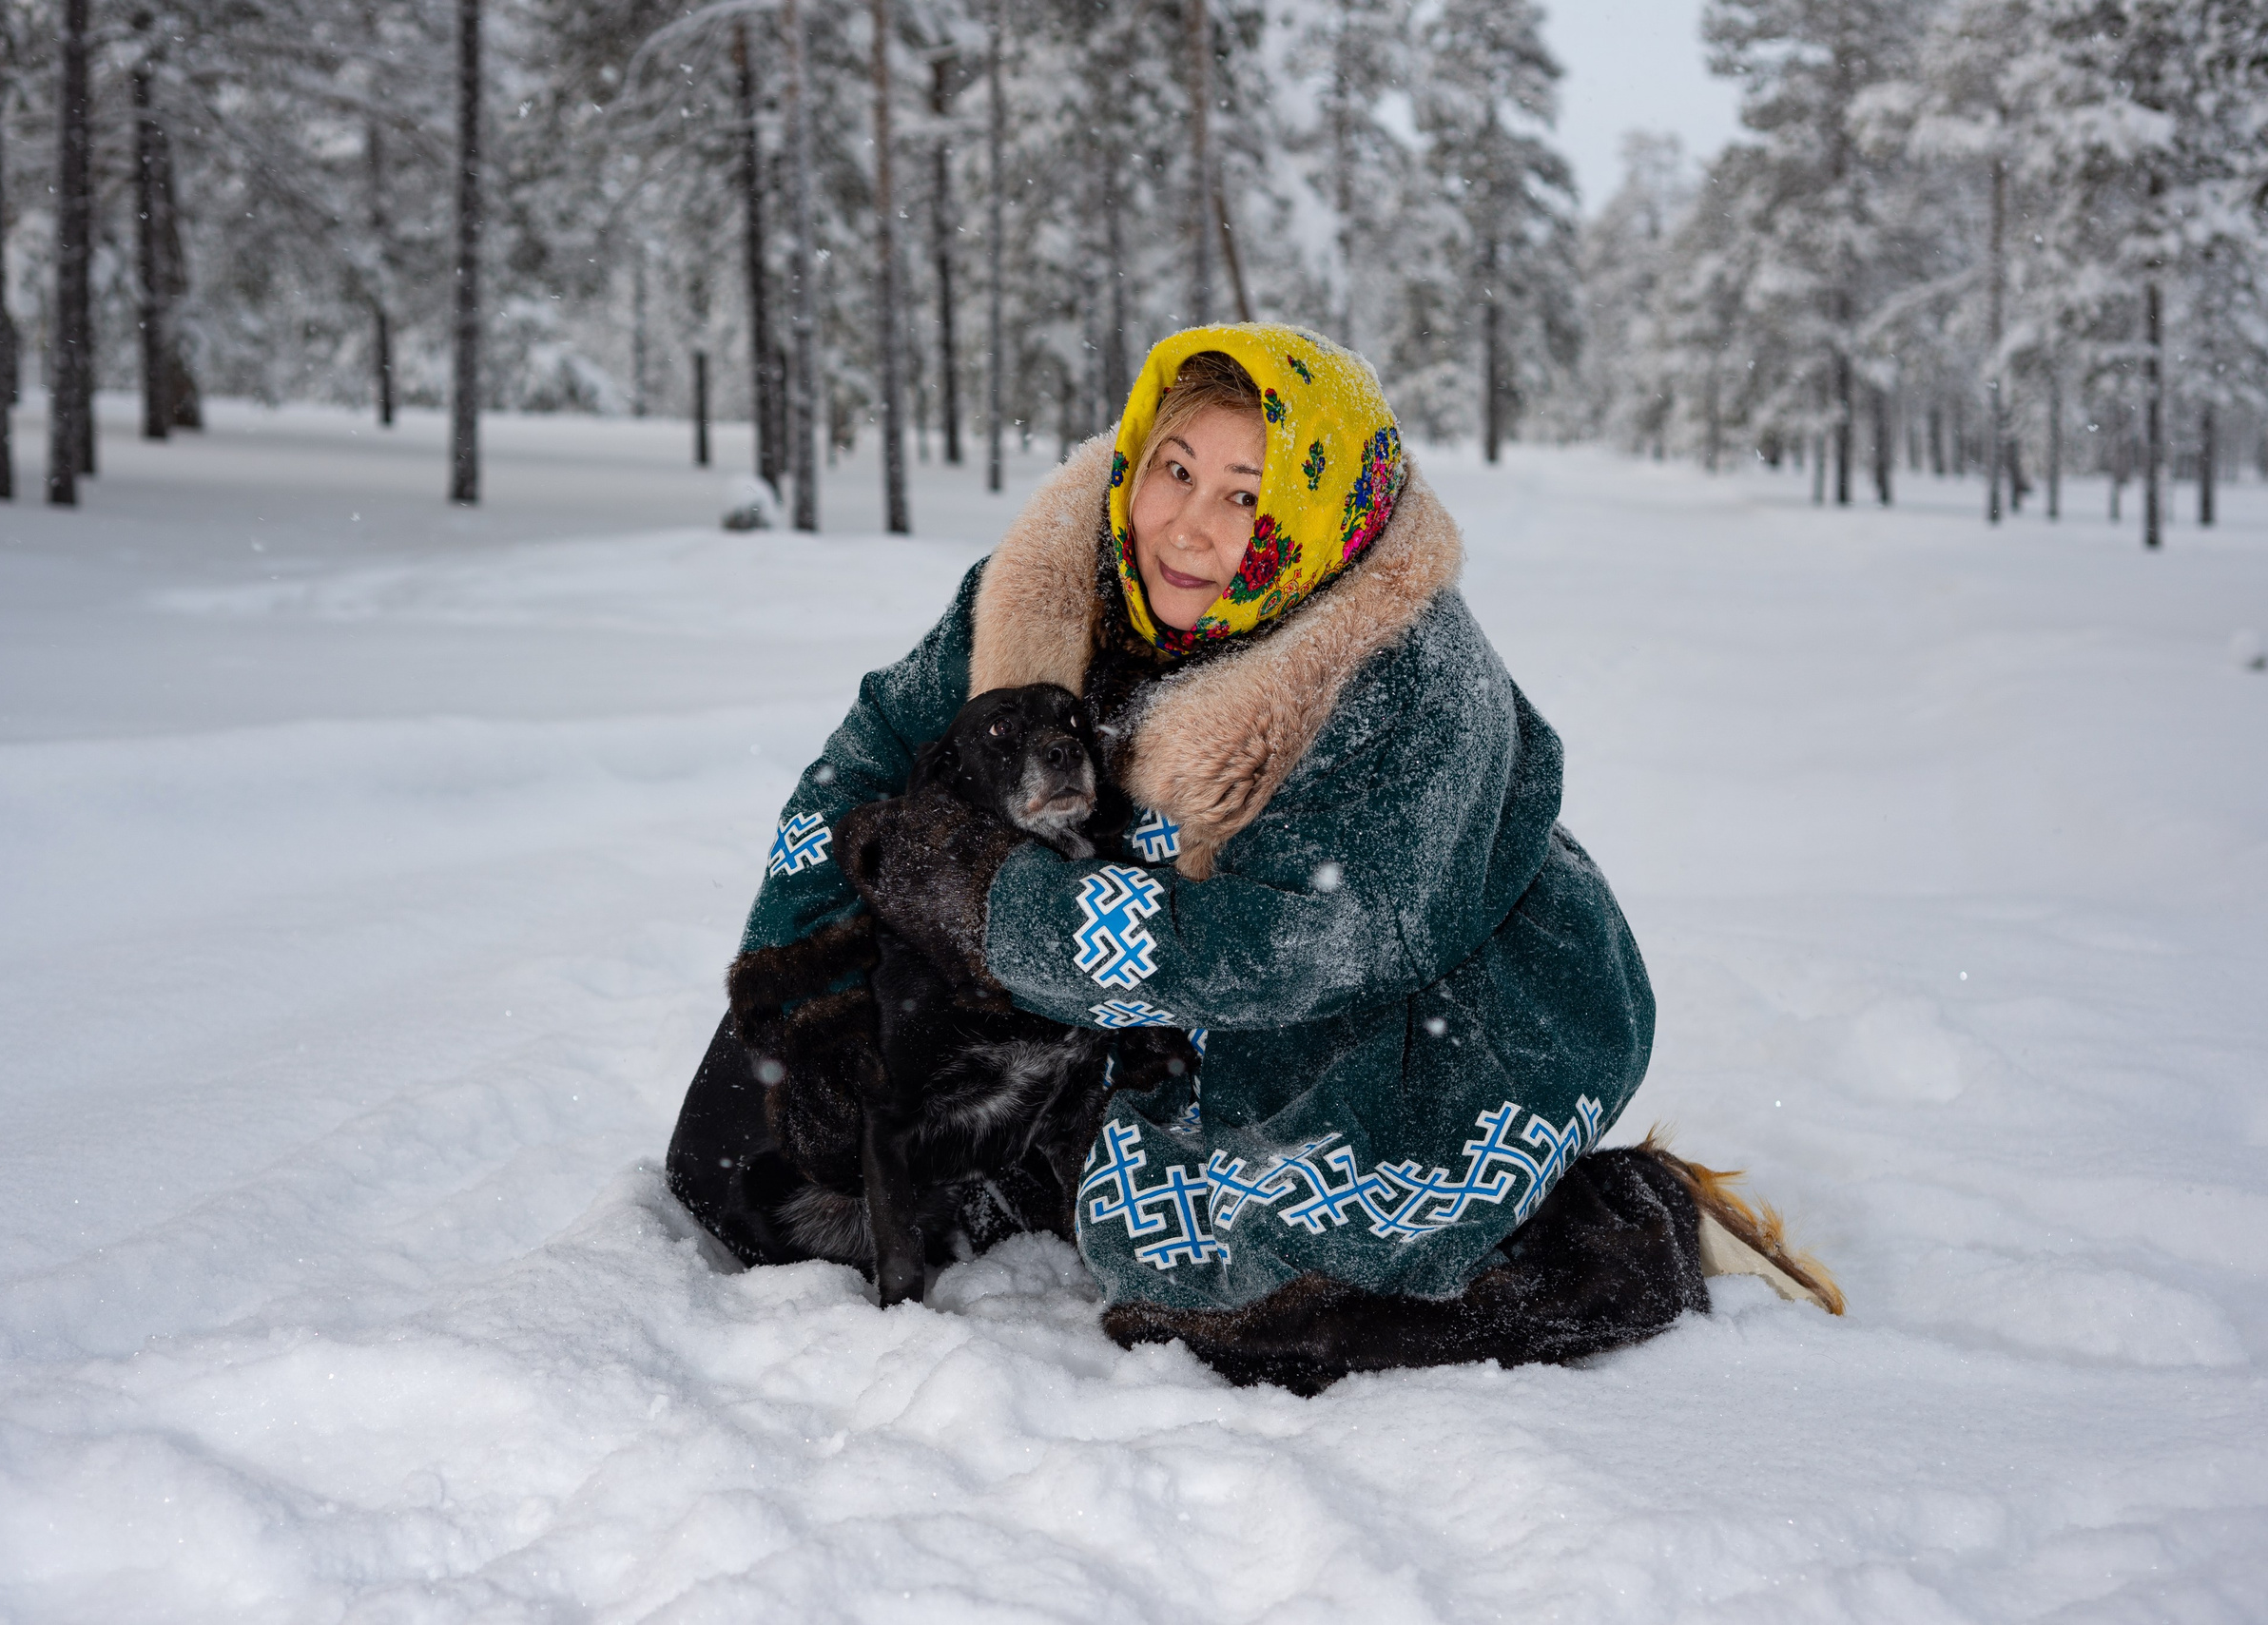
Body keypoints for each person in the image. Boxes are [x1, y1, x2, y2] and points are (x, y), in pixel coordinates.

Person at [667, 323, 1837, 1393]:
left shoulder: (1407, 680)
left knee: (1232, 1305)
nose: (1188, 525)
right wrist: (797, 988)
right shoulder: (1055, 579)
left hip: (1433, 990)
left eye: (1244, 493)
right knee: (745, 1168)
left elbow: (1296, 947)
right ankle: (1059, 1141)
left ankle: (1628, 1226)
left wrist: (999, 914)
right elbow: (867, 758)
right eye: (1175, 469)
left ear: (1309, 511)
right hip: (1134, 951)